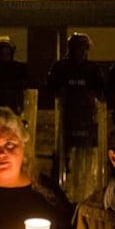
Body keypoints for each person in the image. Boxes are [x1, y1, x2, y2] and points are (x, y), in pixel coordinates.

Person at [45, 32, 105, 203]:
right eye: (77, 49)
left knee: (86, 156)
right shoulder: (61, 67)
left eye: (83, 49)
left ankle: (85, 191)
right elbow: (50, 88)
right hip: (65, 117)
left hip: (87, 118)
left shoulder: (93, 69)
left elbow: (102, 91)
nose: (81, 53)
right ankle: (57, 192)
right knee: (62, 155)